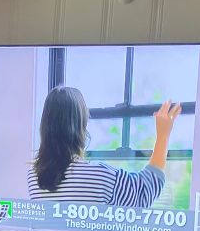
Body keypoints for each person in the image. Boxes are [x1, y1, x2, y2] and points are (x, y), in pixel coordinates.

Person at [27, 86, 181, 207]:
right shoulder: (98, 176)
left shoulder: (33, 177)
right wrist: (163, 135)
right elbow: (143, 193)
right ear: (81, 125)